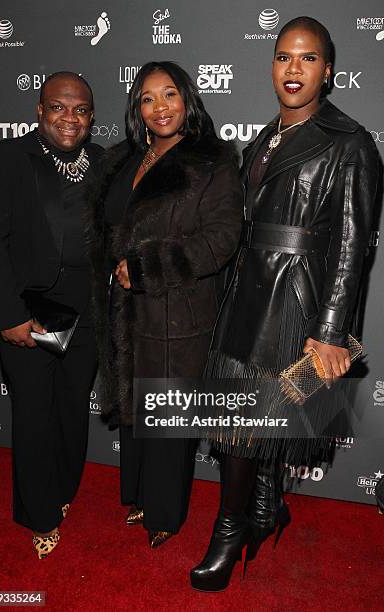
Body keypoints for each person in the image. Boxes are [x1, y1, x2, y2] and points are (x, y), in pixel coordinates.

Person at [190, 17, 379, 591]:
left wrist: (330, 331)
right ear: (271, 66)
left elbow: (353, 247)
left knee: (248, 420)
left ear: (328, 69)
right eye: (283, 57)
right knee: (241, 415)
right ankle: (268, 505)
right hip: (246, 292)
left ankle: (231, 528)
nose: (293, 69)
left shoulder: (351, 143)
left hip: (295, 301)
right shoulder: (260, 142)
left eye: (308, 58)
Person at [87, 61, 242, 547]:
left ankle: (164, 515)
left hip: (179, 309)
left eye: (169, 94)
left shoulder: (213, 160)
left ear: (187, 99)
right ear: (137, 107)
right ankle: (138, 496)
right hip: (126, 310)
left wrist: (147, 265)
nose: (160, 107)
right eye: (148, 98)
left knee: (169, 417)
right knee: (137, 409)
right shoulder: (124, 160)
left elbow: (221, 239)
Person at [0, 72, 103, 558]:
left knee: (73, 409)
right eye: (58, 107)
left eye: (80, 110)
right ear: (39, 110)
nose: (69, 118)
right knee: (32, 415)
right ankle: (38, 513)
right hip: (28, 309)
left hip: (87, 310)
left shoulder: (104, 163)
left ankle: (64, 492)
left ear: (91, 117)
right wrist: (9, 313)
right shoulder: (6, 157)